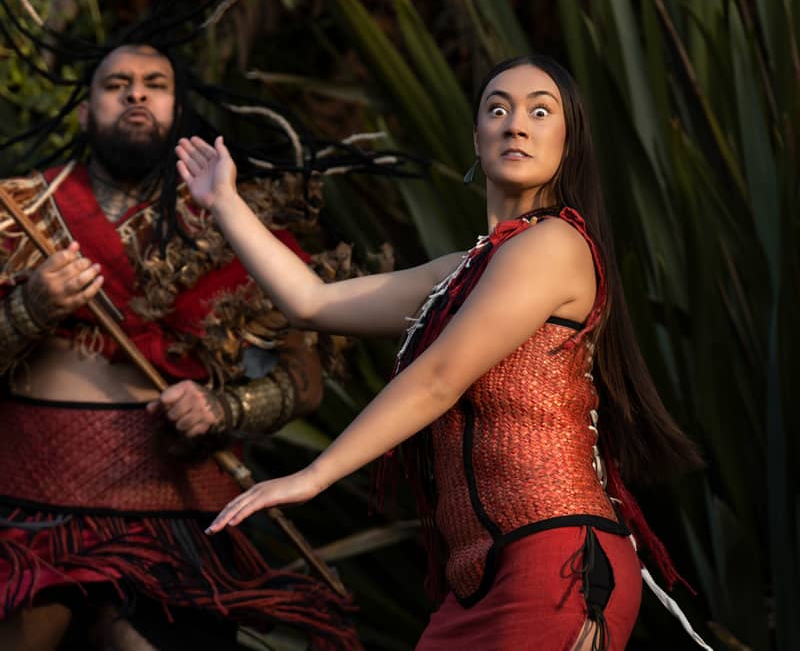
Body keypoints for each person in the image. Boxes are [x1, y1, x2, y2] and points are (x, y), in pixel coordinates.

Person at [177, 55, 708, 651]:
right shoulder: (464, 271)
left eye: (540, 110)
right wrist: (222, 200)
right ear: (476, 138)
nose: (516, 124)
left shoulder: (555, 243)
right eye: (497, 109)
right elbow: (311, 303)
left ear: (570, 140)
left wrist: (313, 475)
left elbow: (439, 379)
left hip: (556, 562)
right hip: (479, 580)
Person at [0, 44, 361, 651]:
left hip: (178, 516)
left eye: (154, 83)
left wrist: (227, 409)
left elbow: (304, 380)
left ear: (179, 109)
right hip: (32, 513)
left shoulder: (240, 223)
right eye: (116, 83)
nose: (136, 93)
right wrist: (27, 308)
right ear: (86, 113)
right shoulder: (16, 212)